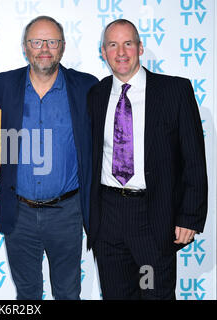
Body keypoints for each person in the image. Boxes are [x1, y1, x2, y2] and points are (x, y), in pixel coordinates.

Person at [87, 19, 208, 299]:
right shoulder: (95, 95)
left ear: (140, 48)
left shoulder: (173, 91)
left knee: (152, 292)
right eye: (112, 45)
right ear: (103, 52)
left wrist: (189, 216)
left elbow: (193, 159)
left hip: (152, 220)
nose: (121, 52)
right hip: (109, 219)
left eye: (128, 43)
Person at [0, 16, 98, 300]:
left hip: (67, 213)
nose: (44, 48)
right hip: (18, 212)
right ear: (25, 47)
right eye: (37, 41)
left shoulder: (86, 87)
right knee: (27, 294)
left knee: (69, 293)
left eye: (52, 41)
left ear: (62, 47)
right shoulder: (4, 85)